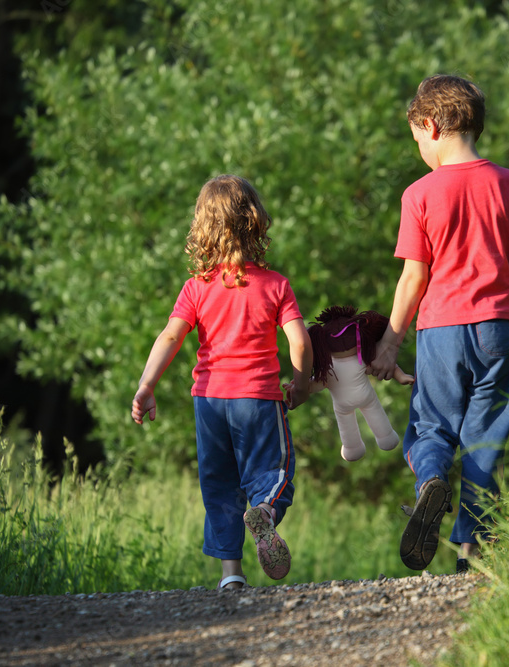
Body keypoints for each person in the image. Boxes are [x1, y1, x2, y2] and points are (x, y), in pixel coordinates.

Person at [368, 74, 509, 574]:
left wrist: (390, 343)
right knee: (484, 438)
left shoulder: (420, 194)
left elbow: (414, 277)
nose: (419, 151)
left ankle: (431, 480)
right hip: (499, 329)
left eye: (417, 140)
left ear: (430, 126)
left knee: (431, 425)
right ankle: (471, 551)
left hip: (442, 331)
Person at [131, 174, 313, 590]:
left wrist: (147, 384)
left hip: (209, 402)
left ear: (202, 229)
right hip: (259, 400)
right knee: (273, 472)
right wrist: (300, 383)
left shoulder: (196, 287)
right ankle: (265, 514)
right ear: (256, 224)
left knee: (220, 485)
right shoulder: (275, 285)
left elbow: (171, 335)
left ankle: (231, 576)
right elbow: (299, 341)